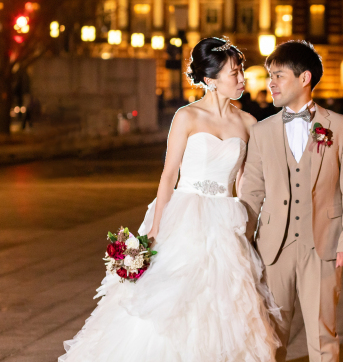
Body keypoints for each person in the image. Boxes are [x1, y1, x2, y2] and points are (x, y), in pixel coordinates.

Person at [60, 36, 280, 362]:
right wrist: (155, 228)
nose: (241, 78)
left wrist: (252, 224)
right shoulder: (186, 117)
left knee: (224, 301)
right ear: (210, 79)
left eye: (241, 70)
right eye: (234, 73)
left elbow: (245, 181)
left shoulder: (248, 122)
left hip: (225, 219)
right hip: (186, 214)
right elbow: (168, 176)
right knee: (172, 298)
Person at [241, 40, 343, 362]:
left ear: (304, 78)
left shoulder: (340, 126)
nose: (270, 83)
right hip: (273, 248)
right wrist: (241, 241)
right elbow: (252, 191)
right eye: (270, 76)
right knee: (270, 335)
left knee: (323, 335)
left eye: (278, 76)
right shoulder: (262, 131)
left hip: (323, 245)